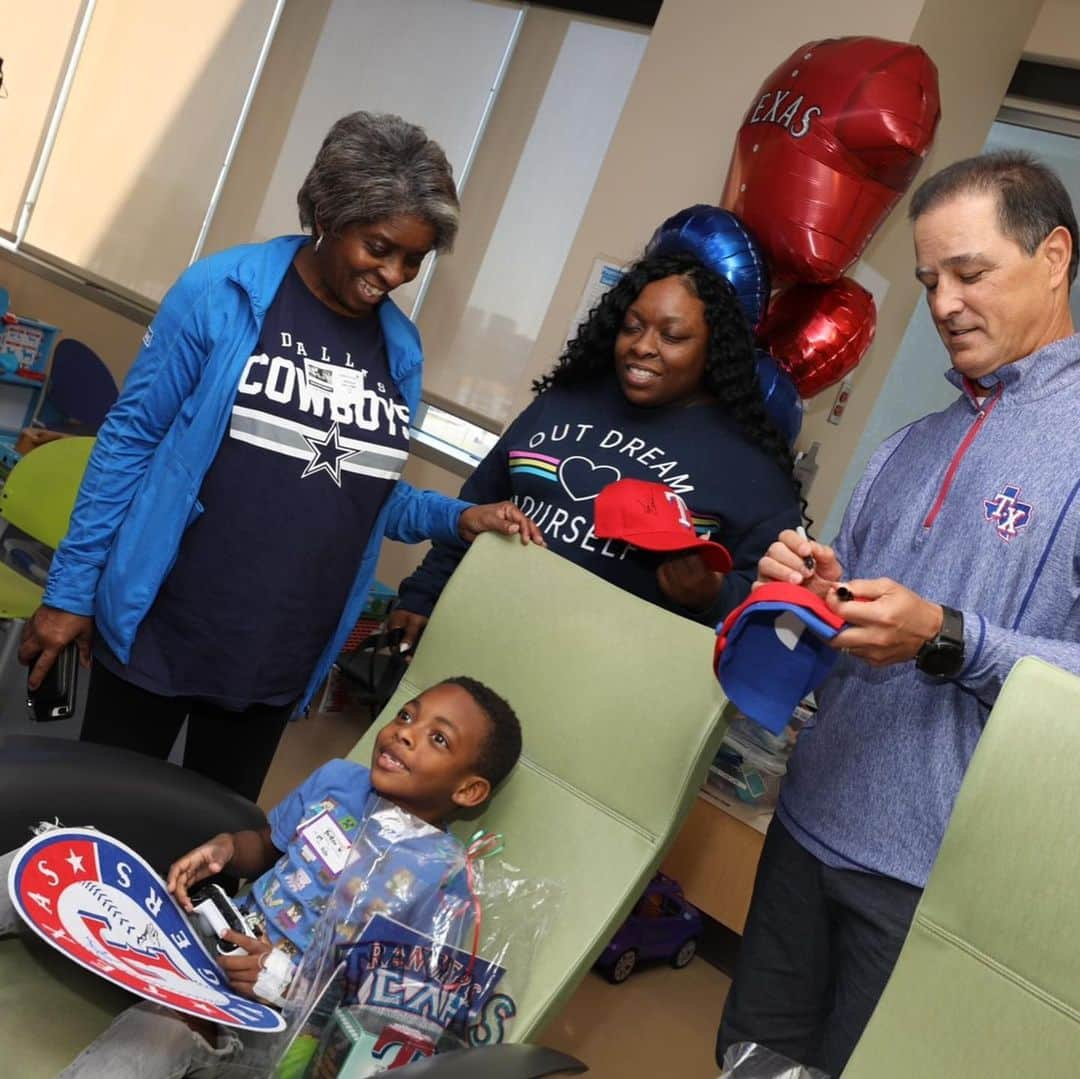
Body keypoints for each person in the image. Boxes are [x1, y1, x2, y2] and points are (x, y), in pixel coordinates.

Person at [18, 112, 540, 801]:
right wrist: (70, 590)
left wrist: (459, 518)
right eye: (379, 247)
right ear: (326, 212)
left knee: (210, 844)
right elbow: (129, 441)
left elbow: (365, 489)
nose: (393, 274)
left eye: (413, 259)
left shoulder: (399, 349)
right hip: (164, 624)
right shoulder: (223, 293)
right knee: (98, 821)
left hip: (279, 652)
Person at [718, 150, 1080, 1076]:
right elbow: (855, 639)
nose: (946, 304)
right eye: (929, 281)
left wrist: (951, 638)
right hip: (805, 827)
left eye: (972, 272)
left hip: (936, 885)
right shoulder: (905, 448)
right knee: (751, 1061)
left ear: (1055, 258)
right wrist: (815, 593)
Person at [1, 675, 522, 1077]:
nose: (405, 733)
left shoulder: (446, 879)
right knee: (50, 866)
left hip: (275, 1019)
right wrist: (226, 849)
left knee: (168, 1027)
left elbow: (395, 1021)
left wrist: (285, 983)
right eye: (407, 714)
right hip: (207, 941)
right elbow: (267, 848)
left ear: (469, 791)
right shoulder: (339, 781)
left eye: (436, 738)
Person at [390, 250, 803, 649]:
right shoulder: (565, 400)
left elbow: (779, 615)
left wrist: (711, 595)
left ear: (713, 350)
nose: (643, 346)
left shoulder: (750, 467)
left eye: (673, 336)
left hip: (602, 680)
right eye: (632, 327)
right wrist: (424, 592)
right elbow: (480, 504)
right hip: (475, 629)